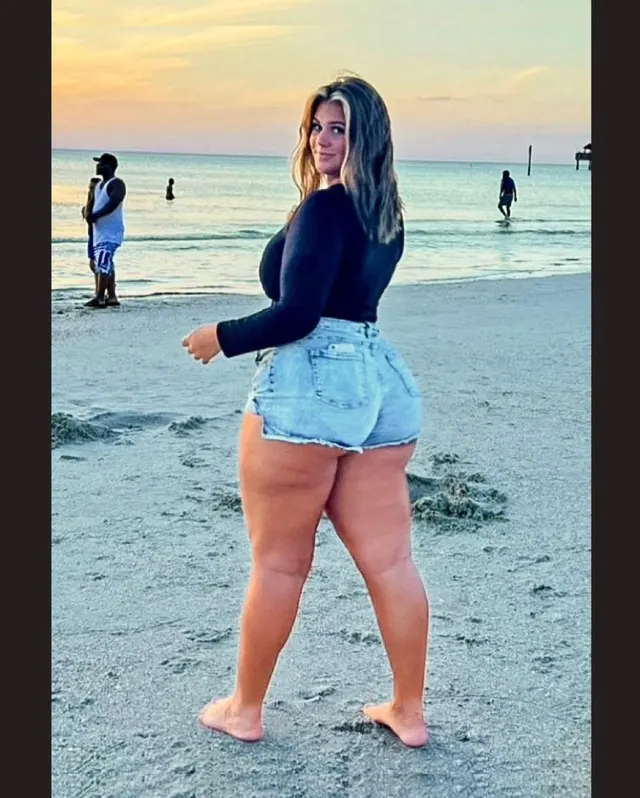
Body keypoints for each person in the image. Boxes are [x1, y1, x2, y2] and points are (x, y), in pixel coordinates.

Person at [182, 75, 430, 748]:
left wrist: (220, 337)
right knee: (391, 562)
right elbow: (351, 303)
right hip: (378, 379)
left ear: (365, 137)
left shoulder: (326, 208)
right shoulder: (386, 215)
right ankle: (408, 711)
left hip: (313, 382)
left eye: (339, 128)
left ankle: (243, 709)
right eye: (316, 127)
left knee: (280, 563)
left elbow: (298, 315)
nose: (322, 139)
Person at [84, 153, 126, 308]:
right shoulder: (98, 186)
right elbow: (94, 203)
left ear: (109, 166)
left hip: (110, 231)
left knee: (103, 263)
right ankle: (112, 296)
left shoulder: (116, 183)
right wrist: (89, 214)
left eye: (101, 163)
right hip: (99, 232)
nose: (98, 166)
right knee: (107, 263)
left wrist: (96, 215)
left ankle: (100, 297)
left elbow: (114, 202)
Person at [81, 177, 101, 295]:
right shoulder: (90, 203)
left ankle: (101, 290)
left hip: (99, 236)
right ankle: (98, 290)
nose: (91, 190)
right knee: (94, 264)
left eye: (94, 188)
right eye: (90, 188)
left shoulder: (100, 204)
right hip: (92, 236)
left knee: (96, 264)